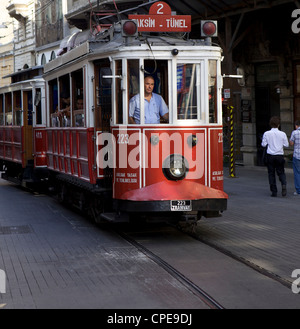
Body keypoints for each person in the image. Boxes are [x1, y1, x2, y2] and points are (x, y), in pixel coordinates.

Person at [261, 116, 289, 197]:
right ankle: (283, 184)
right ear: (278, 124)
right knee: (281, 172)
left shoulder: (267, 133)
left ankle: (274, 191)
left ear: (270, 124)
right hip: (279, 155)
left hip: (270, 155)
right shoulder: (282, 134)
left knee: (271, 173)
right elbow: (286, 145)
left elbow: (263, 144)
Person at [289, 120, 300, 196]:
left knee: (297, 173)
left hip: (297, 155)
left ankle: (298, 190)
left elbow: (291, 143)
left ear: (296, 125)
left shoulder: (295, 132)